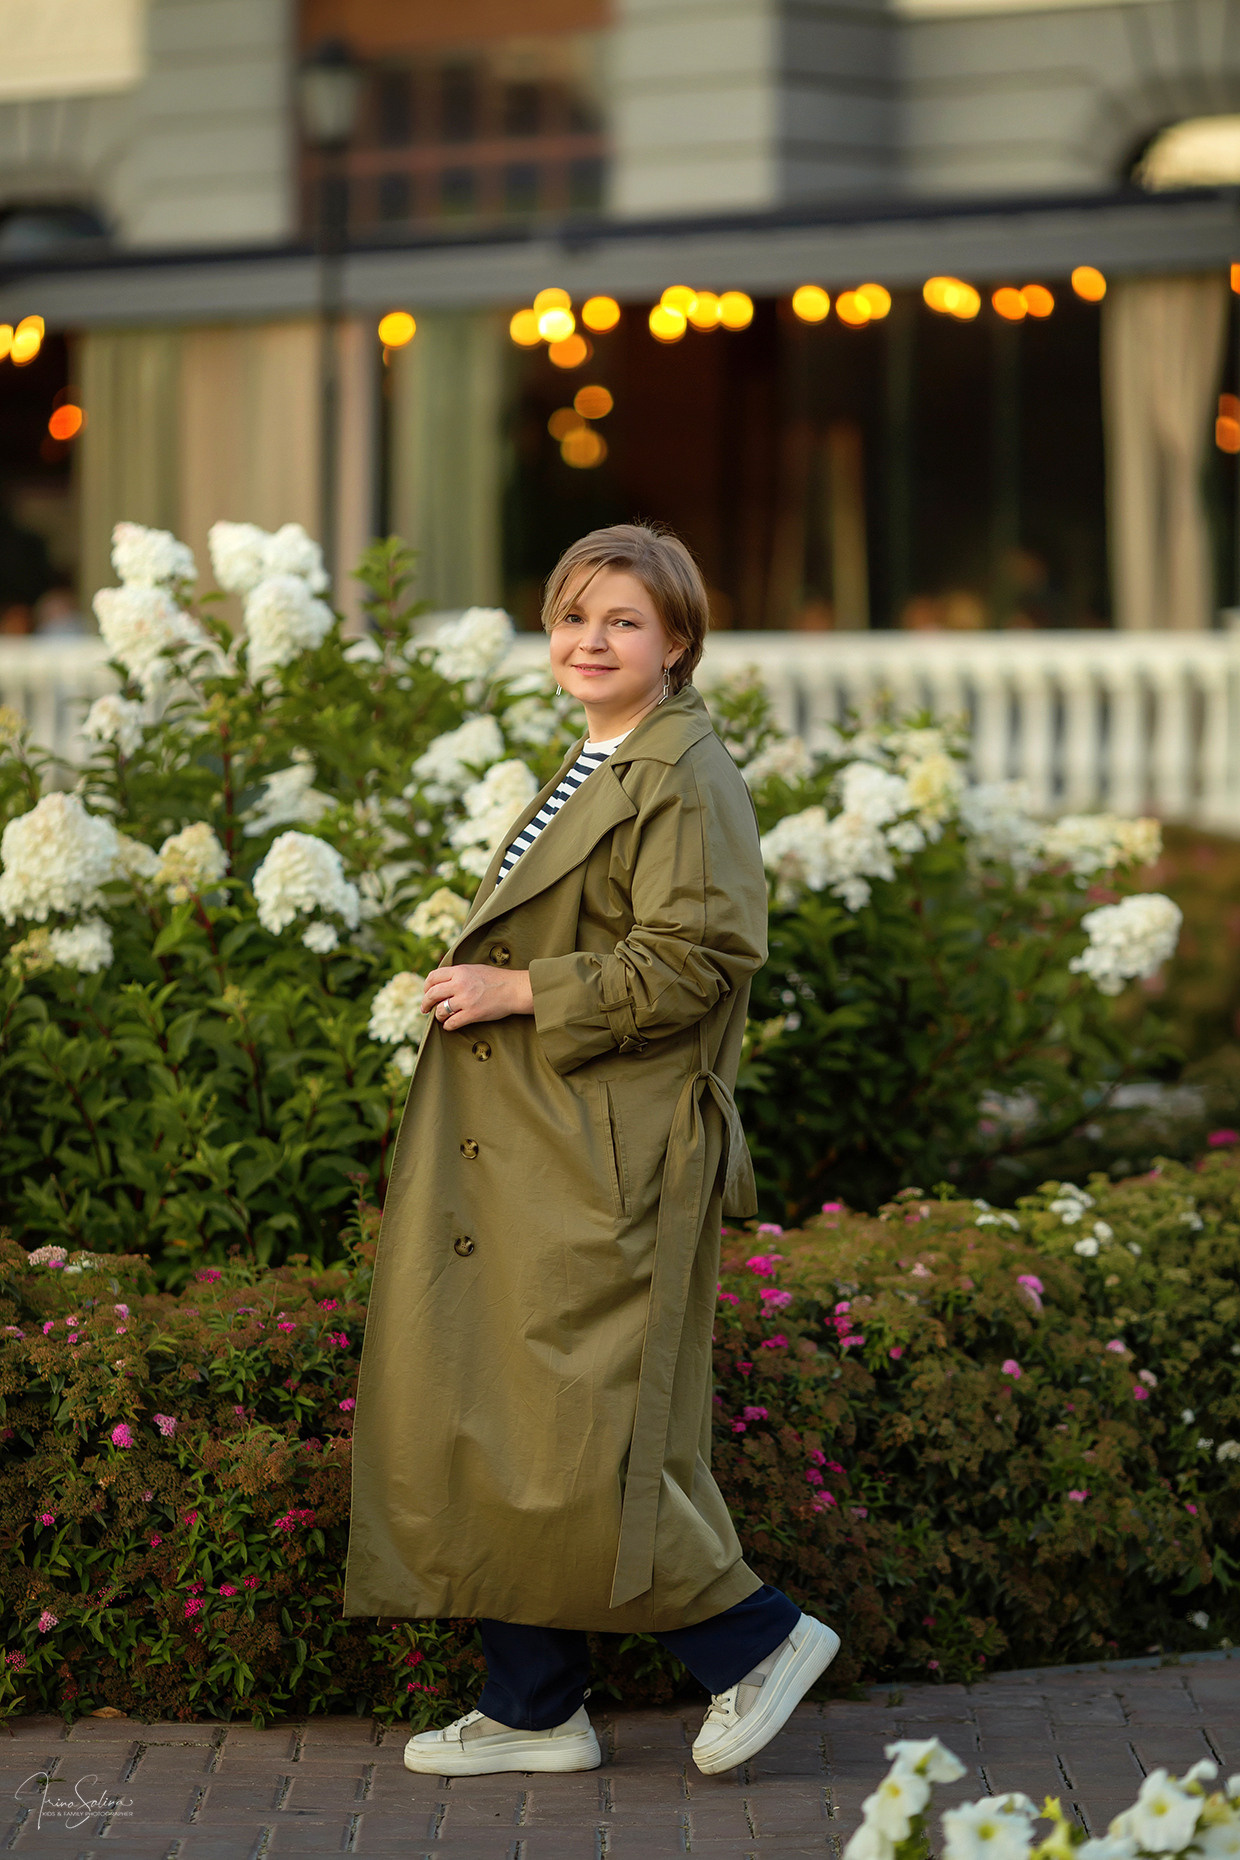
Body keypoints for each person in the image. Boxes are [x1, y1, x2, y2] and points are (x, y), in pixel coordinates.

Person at [342, 523, 839, 1777]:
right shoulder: (602, 758)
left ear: (677, 642)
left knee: (581, 1430)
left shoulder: (679, 772)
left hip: (605, 1147)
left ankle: (754, 1643)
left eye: (621, 620)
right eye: (571, 616)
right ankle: (531, 1706)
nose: (587, 640)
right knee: (525, 1418)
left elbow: (700, 957)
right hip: (547, 1144)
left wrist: (521, 995)